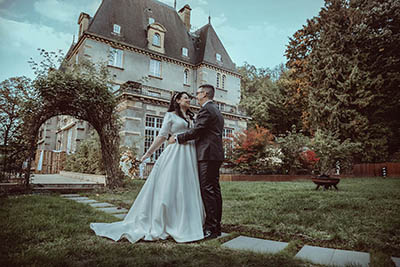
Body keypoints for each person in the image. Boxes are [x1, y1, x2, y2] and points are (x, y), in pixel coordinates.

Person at [90, 92, 204, 243]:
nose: (189, 100)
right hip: (176, 152)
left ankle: (189, 220)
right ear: (177, 100)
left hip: (190, 153)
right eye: (185, 98)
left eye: (189, 98)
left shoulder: (192, 117)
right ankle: (169, 220)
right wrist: (147, 154)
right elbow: (162, 136)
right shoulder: (170, 115)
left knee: (188, 184)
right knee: (172, 184)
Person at [170, 84, 224, 239]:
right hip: (215, 154)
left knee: (207, 190)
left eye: (198, 93)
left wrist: (178, 137)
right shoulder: (216, 110)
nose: (196, 96)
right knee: (215, 190)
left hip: (207, 154)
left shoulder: (206, 109)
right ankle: (216, 226)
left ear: (205, 94)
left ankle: (211, 228)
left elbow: (197, 131)